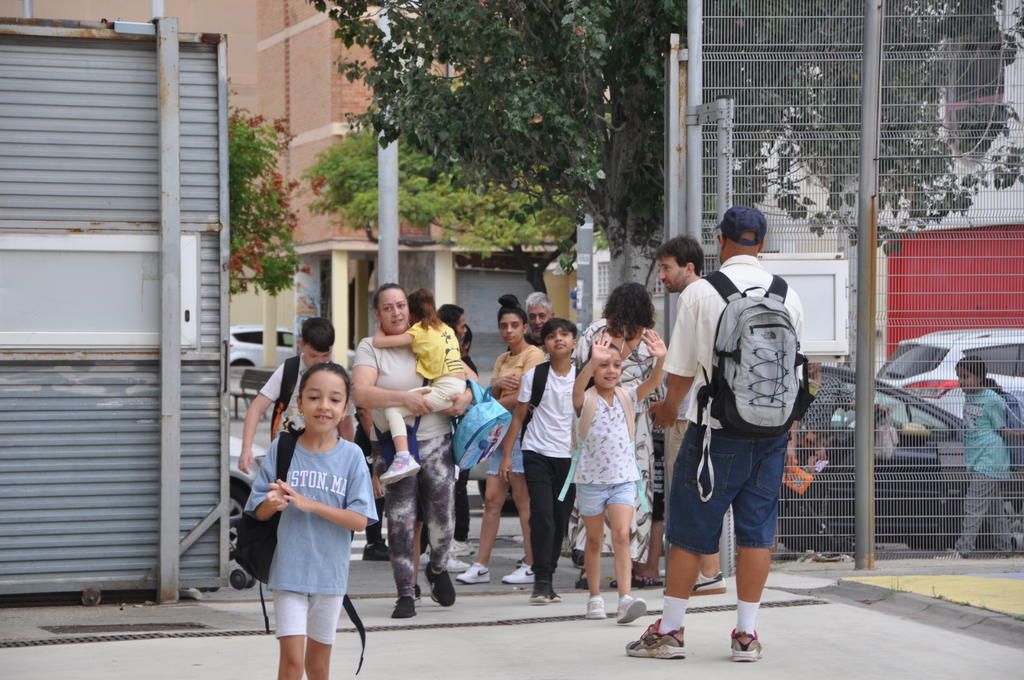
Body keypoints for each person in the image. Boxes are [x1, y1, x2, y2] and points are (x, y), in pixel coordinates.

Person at [630, 206, 805, 662]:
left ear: (720, 240)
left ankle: (670, 631)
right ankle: (746, 635)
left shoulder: (702, 292)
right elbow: (799, 371)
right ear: (761, 243)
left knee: (690, 531)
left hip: (715, 433)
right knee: (757, 533)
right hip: (771, 435)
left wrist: (668, 410)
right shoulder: (788, 294)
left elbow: (682, 370)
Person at [243, 362, 377, 680]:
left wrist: (310, 505)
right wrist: (271, 504)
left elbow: (359, 520)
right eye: (314, 397)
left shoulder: (352, 456)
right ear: (300, 403)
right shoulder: (283, 448)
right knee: (291, 666)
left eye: (334, 399)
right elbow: (256, 511)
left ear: (345, 408)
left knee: (317, 668)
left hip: (330, 576)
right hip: (289, 572)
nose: (324, 406)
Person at [352, 284, 472, 619]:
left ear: (410, 308)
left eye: (401, 305)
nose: (396, 312)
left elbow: (467, 378)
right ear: (377, 314)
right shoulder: (370, 347)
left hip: (437, 440)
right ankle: (405, 592)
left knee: (443, 519)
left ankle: (437, 567)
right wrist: (403, 399)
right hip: (394, 445)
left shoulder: (428, 333)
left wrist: (464, 398)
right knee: (401, 521)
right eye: (388, 307)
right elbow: (361, 393)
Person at [569, 283, 663, 589]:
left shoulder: (598, 332)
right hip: (623, 420)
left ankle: (599, 569)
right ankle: (622, 567)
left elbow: (577, 372)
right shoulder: (644, 338)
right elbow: (658, 389)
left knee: (612, 495)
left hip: (610, 416)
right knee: (629, 492)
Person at [654, 235, 724, 592]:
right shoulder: (720, 293)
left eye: (667, 268)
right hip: (718, 413)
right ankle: (709, 572)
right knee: (703, 492)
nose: (662, 276)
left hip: (689, 414)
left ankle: (706, 574)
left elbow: (682, 367)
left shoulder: (693, 296)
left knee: (687, 495)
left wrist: (668, 408)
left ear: (689, 267)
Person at [457, 297, 543, 586]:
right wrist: (496, 387)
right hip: (498, 434)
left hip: (521, 433)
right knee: (492, 500)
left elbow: (523, 398)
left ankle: (531, 563)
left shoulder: (533, 355)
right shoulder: (502, 360)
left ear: (525, 327)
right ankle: (481, 565)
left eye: (514, 325)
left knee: (522, 501)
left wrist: (493, 398)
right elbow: (491, 395)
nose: (509, 330)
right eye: (504, 326)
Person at [498, 317, 578, 604]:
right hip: (537, 453)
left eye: (564, 334)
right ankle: (541, 580)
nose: (558, 339)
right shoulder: (535, 376)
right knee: (542, 514)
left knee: (559, 518)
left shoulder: (583, 377)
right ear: (544, 345)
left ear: (574, 342)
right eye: (552, 336)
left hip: (570, 459)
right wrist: (507, 456)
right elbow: (519, 416)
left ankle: (548, 576)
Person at [372, 289, 467, 485]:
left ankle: (403, 457)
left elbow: (379, 342)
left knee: (393, 409)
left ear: (412, 313)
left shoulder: (418, 332)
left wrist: (381, 324)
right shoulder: (445, 329)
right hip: (457, 385)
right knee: (408, 398)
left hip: (445, 388)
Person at [238, 317, 354, 474]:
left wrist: (349, 460)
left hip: (324, 457)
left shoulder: (337, 377)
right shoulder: (289, 369)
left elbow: (345, 423)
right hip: (288, 455)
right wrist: (246, 448)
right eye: (313, 356)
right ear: (302, 344)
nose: (319, 362)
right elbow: (256, 408)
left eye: (325, 355)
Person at [954, 357, 1012, 556]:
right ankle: (1005, 548)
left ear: (979, 377)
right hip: (977, 457)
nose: (961, 381)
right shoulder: (970, 396)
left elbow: (1001, 428)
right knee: (994, 508)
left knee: (973, 505)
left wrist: (1019, 434)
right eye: (959, 377)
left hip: (990, 458)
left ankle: (963, 549)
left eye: (966, 377)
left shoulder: (992, 399)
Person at [437, 304, 475, 556]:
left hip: (455, 433)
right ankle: (443, 548)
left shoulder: (454, 357)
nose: (464, 329)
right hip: (442, 433)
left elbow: (474, 384)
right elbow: (475, 382)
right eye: (461, 325)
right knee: (446, 491)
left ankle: (450, 542)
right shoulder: (445, 355)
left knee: (453, 488)